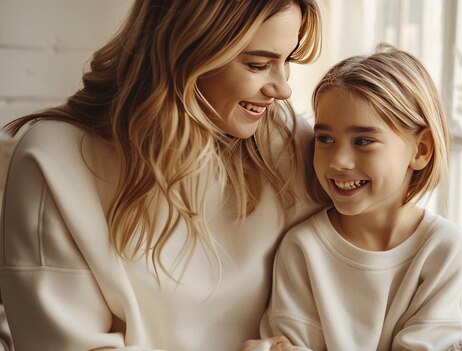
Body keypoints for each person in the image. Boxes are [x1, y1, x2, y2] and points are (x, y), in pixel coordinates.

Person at [0, 0, 321, 350]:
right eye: (258, 65)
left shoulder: (287, 143)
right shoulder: (54, 159)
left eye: (286, 60)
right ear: (189, 49)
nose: (283, 88)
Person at [261, 45, 462, 350]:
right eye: (325, 139)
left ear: (421, 149)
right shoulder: (302, 248)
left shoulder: (443, 249)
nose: (339, 161)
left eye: (363, 141)